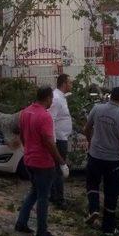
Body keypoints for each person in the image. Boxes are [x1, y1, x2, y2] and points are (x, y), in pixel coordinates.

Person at [15, 86, 68, 236]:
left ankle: (21, 222)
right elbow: (49, 143)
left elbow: (22, 136)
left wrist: (28, 150)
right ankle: (42, 232)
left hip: (29, 160)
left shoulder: (25, 112)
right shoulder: (45, 117)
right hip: (43, 163)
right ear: (48, 98)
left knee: (34, 192)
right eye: (51, 98)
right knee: (43, 197)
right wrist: (61, 162)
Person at [83, 86, 119, 235]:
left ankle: (93, 209)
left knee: (92, 183)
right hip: (113, 160)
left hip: (95, 156)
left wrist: (90, 142)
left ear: (110, 96)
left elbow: (86, 129)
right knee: (111, 192)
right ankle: (108, 228)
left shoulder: (97, 109)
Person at [49, 74, 73, 209]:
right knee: (59, 169)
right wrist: (53, 141)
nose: (72, 84)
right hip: (58, 139)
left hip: (62, 137)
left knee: (56, 169)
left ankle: (54, 195)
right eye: (70, 82)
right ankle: (59, 199)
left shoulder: (61, 97)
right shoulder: (57, 99)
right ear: (64, 83)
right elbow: (50, 120)